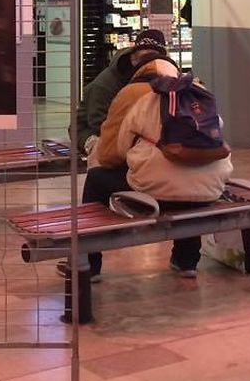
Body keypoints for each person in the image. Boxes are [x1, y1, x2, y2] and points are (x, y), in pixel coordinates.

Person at [76, 55, 232, 280]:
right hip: (209, 192)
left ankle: (89, 265)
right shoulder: (200, 94)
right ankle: (186, 261)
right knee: (188, 184)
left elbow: (112, 154)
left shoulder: (139, 96)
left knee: (96, 178)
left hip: (156, 194)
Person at [74, 28, 169, 156]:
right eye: (144, 58)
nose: (147, 63)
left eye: (153, 59)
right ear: (132, 58)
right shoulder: (105, 84)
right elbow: (100, 125)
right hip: (94, 133)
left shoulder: (162, 76)